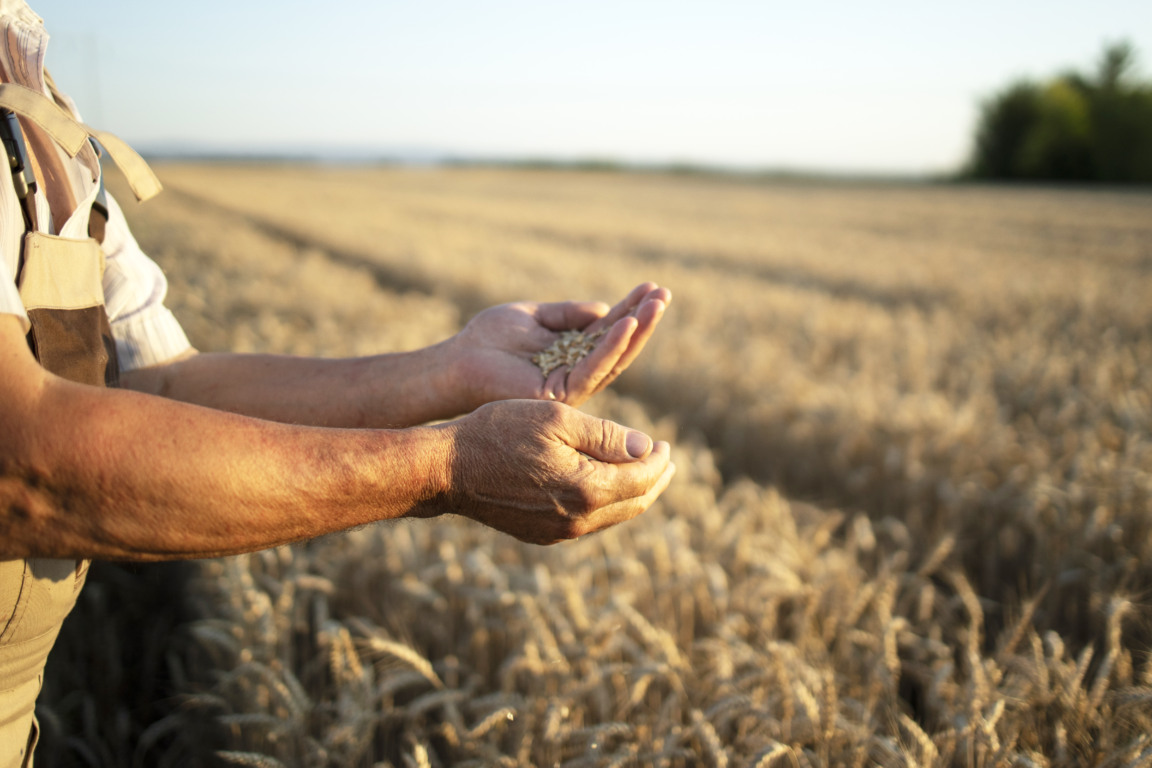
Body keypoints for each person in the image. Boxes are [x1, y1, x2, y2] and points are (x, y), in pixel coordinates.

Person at [0, 2, 675, 765]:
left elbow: (155, 387)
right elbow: (20, 461)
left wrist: (450, 369)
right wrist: (447, 468)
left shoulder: (32, 93)